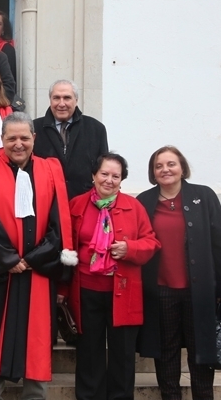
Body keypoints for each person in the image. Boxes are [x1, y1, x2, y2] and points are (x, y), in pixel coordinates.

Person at [0, 112, 76, 400]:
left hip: (38, 270)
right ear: (2, 139)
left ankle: (35, 393)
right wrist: (9, 259)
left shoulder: (50, 171)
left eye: (24, 137)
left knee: (37, 334)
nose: (18, 143)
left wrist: (35, 258)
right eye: (11, 137)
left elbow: (58, 222)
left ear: (34, 138)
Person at [67, 153, 160, 400]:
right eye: (104, 174)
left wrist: (130, 249)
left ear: (122, 180)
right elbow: (66, 244)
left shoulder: (134, 206)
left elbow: (151, 242)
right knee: (89, 351)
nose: (109, 180)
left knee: (123, 353)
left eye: (115, 176)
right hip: (86, 290)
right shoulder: (76, 204)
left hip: (124, 291)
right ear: (93, 176)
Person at [137, 146, 221, 400]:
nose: (165, 170)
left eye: (171, 164)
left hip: (200, 292)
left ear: (182, 167)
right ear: (153, 172)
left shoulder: (204, 196)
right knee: (167, 354)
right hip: (160, 292)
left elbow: (218, 243)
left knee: (201, 353)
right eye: (159, 166)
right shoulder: (144, 200)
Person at [33, 79, 109, 198]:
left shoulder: (96, 128)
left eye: (67, 98)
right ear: (50, 100)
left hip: (85, 201)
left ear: (76, 100)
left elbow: (104, 168)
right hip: (47, 201)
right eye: (56, 98)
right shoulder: (34, 128)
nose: (61, 103)